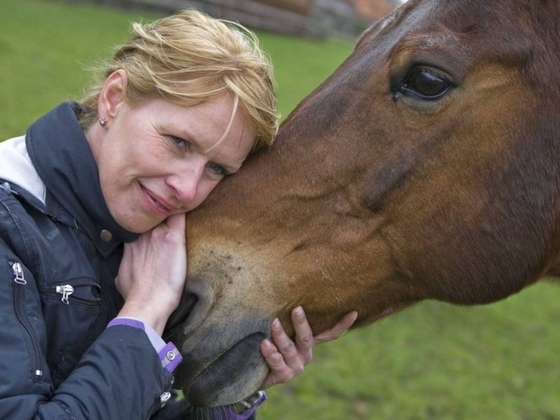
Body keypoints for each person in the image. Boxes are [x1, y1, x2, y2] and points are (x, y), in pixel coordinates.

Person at [0, 9, 358, 419]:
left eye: (216, 169)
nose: (188, 189)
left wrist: (238, 392)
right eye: (179, 142)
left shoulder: (150, 236)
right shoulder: (11, 224)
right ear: (114, 98)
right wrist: (147, 310)